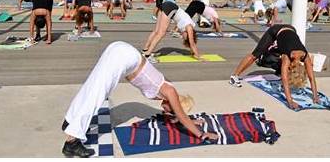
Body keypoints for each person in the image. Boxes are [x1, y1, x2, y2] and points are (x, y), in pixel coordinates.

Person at [61, 41, 218, 157]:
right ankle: (72, 141)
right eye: (172, 111)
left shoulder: (166, 91)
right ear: (176, 104)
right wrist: (201, 134)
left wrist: (188, 119)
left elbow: (180, 116)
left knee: (92, 86)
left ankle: (70, 119)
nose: (166, 111)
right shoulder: (170, 91)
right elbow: (181, 116)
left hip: (120, 50)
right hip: (124, 57)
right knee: (97, 93)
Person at [228, 24, 320, 110]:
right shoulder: (287, 57)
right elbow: (284, 79)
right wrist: (290, 101)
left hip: (291, 29)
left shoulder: (306, 56)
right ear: (291, 67)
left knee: (280, 58)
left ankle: (271, 52)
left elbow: (311, 78)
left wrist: (315, 96)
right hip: (275, 30)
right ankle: (234, 76)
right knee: (254, 55)